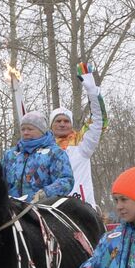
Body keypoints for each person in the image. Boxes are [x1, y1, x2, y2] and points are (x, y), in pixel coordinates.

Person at [49, 68, 105, 209]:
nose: (62, 124)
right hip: (52, 208)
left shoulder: (82, 144)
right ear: (51, 125)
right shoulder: (43, 150)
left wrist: (92, 92)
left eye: (66, 121)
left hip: (82, 209)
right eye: (58, 121)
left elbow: (99, 121)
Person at [3, 111, 73, 203]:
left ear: (42, 131)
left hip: (43, 208)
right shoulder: (11, 154)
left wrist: (46, 193)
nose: (26, 132)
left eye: (30, 129)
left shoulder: (55, 153)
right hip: (12, 210)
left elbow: (67, 180)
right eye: (23, 129)